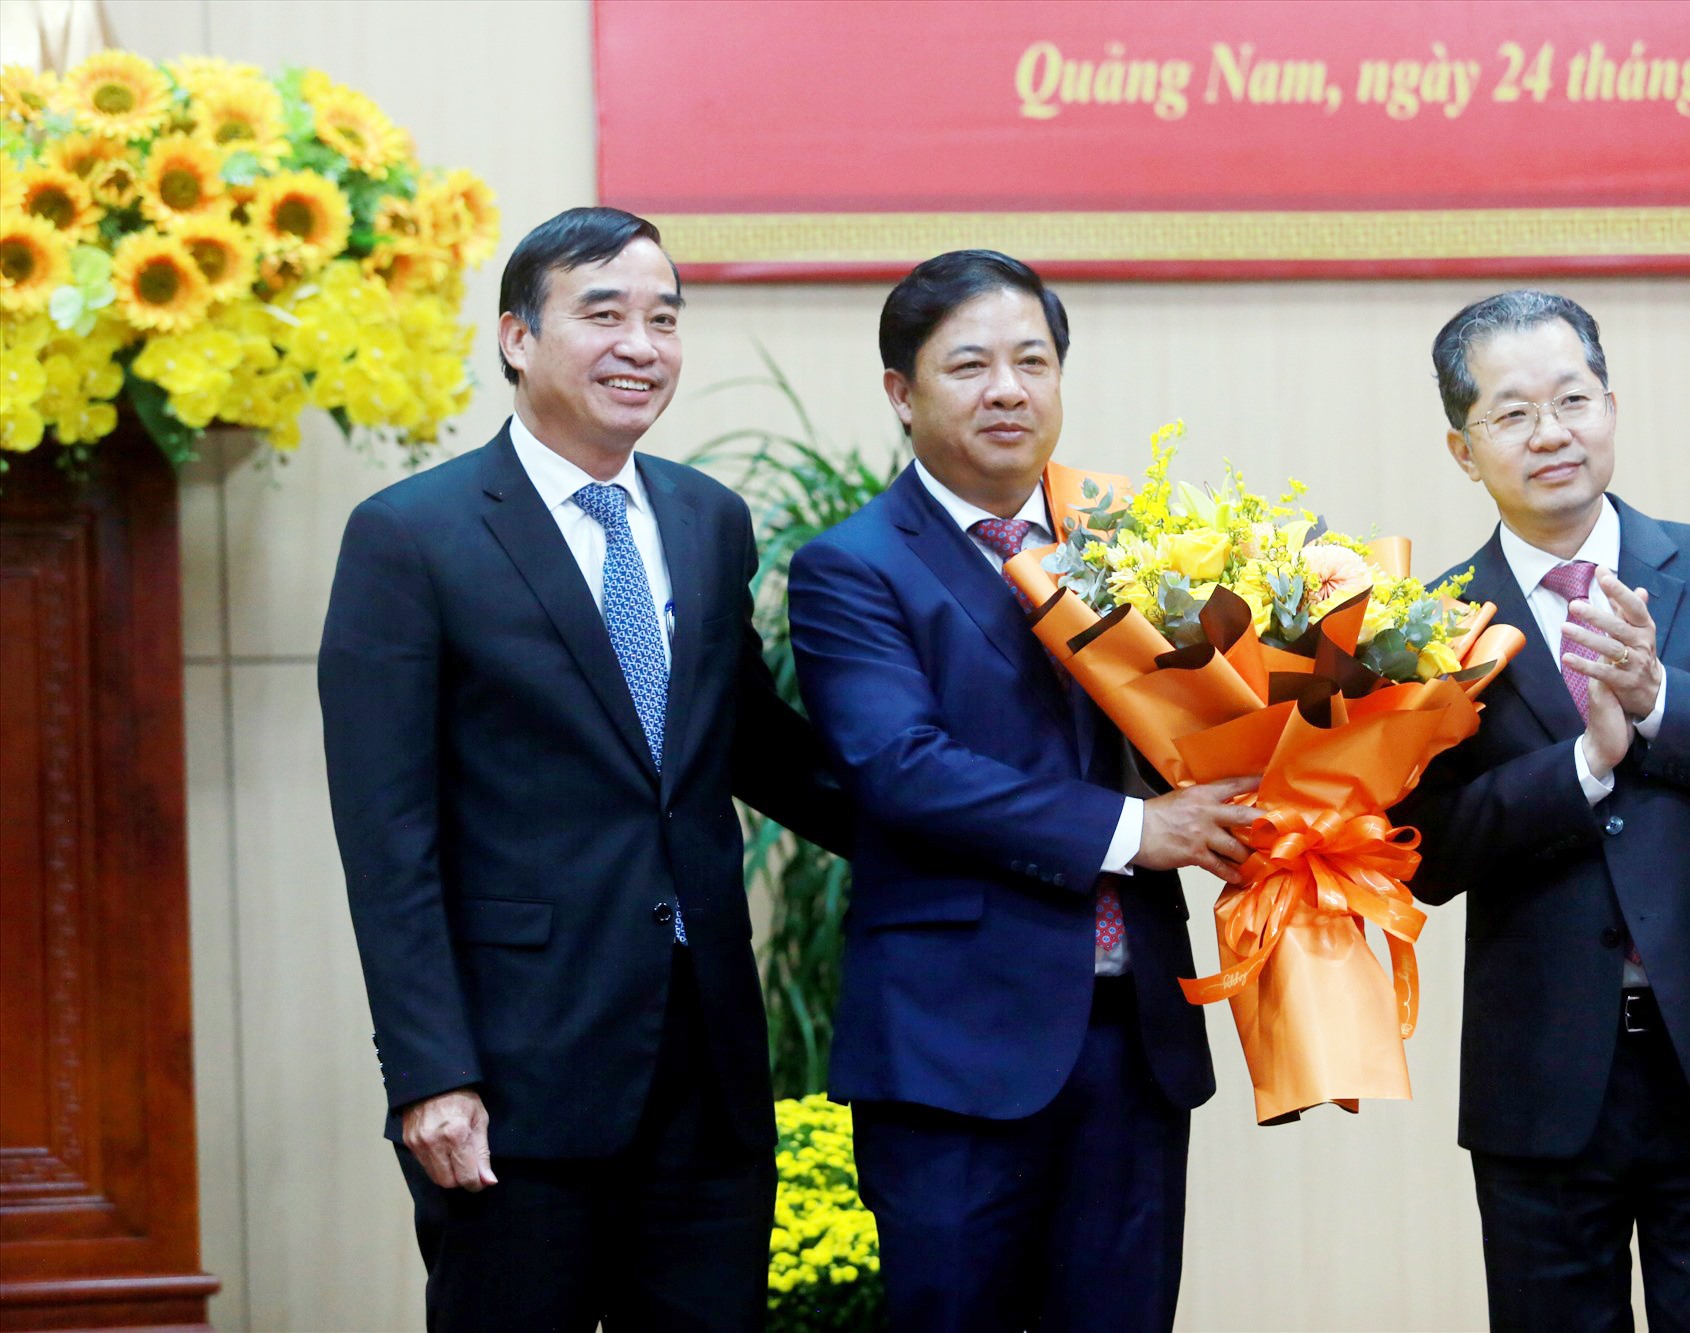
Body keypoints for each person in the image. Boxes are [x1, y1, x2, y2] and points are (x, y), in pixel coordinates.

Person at [319, 206, 849, 1332]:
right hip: (516, 1077)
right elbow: (387, 840)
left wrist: (1013, 827)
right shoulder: (411, 535)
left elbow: (756, 747)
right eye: (601, 313)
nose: (640, 344)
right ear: (516, 337)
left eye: (663, 317)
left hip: (704, 1066)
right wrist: (429, 1073)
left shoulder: (707, 520)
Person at [786, 250, 1260, 1332]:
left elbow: (1208, 725)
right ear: (901, 394)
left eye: (1031, 361)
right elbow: (898, 768)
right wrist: (1137, 828)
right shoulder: (853, 567)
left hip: (1131, 1038)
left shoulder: (1134, 545)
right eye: (969, 365)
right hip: (957, 1048)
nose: (1008, 388)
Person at [1394, 290, 1690, 1330]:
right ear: (1463, 450)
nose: (1549, 432)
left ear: (1610, 405)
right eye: (1510, 413)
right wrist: (1578, 768)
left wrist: (1660, 703)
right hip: (1540, 1077)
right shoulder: (1425, 623)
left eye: (1571, 398)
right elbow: (1421, 853)